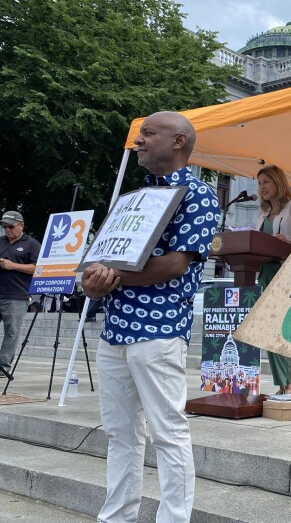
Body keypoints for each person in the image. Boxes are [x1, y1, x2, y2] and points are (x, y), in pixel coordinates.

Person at [82, 111, 220, 523]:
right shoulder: (137, 196)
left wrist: (112, 278)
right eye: (140, 134)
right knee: (119, 434)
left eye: (148, 133)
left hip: (157, 330)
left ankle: (174, 519)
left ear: (178, 142)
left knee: (167, 433)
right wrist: (93, 281)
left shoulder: (198, 194)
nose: (137, 140)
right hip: (116, 329)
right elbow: (104, 259)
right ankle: (117, 516)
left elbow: (177, 264)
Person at [254, 164, 291, 395]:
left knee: (280, 328)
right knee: (268, 330)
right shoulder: (261, 214)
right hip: (264, 274)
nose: (262, 188)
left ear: (278, 182)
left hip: (285, 274)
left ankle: (287, 384)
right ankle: (282, 384)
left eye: (266, 182)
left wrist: (288, 241)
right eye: (259, 184)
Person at [0, 210, 40, 378]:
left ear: (21, 225)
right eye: (4, 226)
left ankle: (3, 366)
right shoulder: (0, 241)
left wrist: (13, 266)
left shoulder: (32, 244)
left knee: (11, 331)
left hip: (16, 295)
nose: (7, 230)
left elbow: (38, 268)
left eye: (10, 226)